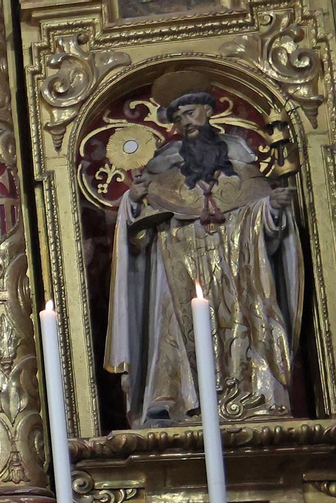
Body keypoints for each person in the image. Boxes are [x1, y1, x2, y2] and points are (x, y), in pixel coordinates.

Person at [106, 88, 301, 428]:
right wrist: (135, 202)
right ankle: (174, 399)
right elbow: (137, 239)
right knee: (171, 326)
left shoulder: (240, 166)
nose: (186, 123)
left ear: (208, 113)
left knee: (246, 316)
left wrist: (270, 207)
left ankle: (253, 392)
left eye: (191, 113)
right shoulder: (162, 176)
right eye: (179, 118)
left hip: (235, 265)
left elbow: (260, 220)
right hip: (177, 263)